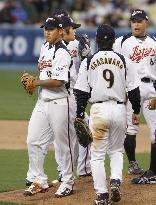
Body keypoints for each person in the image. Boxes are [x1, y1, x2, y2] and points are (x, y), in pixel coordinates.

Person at [74, 24, 141, 205]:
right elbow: (134, 90)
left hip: (98, 111)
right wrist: (135, 111)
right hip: (119, 110)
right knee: (116, 151)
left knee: (97, 156)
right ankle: (115, 181)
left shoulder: (89, 61)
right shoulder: (124, 60)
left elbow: (81, 91)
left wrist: (80, 112)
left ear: (97, 40)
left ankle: (102, 195)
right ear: (113, 41)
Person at [24, 15, 75, 197]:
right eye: (45, 28)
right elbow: (45, 73)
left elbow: (59, 81)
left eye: (51, 28)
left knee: (63, 145)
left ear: (60, 31)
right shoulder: (45, 47)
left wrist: (36, 82)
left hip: (60, 102)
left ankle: (68, 181)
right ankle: (39, 180)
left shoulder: (62, 52)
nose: (47, 32)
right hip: (43, 101)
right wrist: (36, 82)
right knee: (33, 140)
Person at [113, 9, 156, 183]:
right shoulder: (121, 42)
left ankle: (153, 171)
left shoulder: (154, 42)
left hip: (152, 89)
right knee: (131, 129)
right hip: (133, 90)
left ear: (146, 22)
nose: (136, 24)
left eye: (139, 21)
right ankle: (132, 164)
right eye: (133, 21)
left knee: (155, 130)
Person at [52, 11, 92, 182]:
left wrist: (86, 57)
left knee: (79, 129)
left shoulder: (77, 43)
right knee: (64, 134)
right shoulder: (52, 47)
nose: (74, 30)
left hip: (75, 93)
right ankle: (66, 170)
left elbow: (86, 67)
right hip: (62, 95)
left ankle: (79, 169)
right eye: (72, 27)